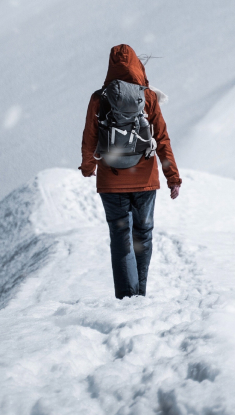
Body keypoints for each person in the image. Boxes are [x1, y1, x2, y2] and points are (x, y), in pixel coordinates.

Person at [79, 44, 182, 299]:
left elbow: (90, 138)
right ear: (137, 65)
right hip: (145, 181)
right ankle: (140, 296)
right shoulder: (147, 97)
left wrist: (88, 166)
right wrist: (173, 178)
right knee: (143, 236)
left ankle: (127, 298)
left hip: (111, 181)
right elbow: (162, 139)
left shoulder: (99, 98)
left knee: (120, 237)